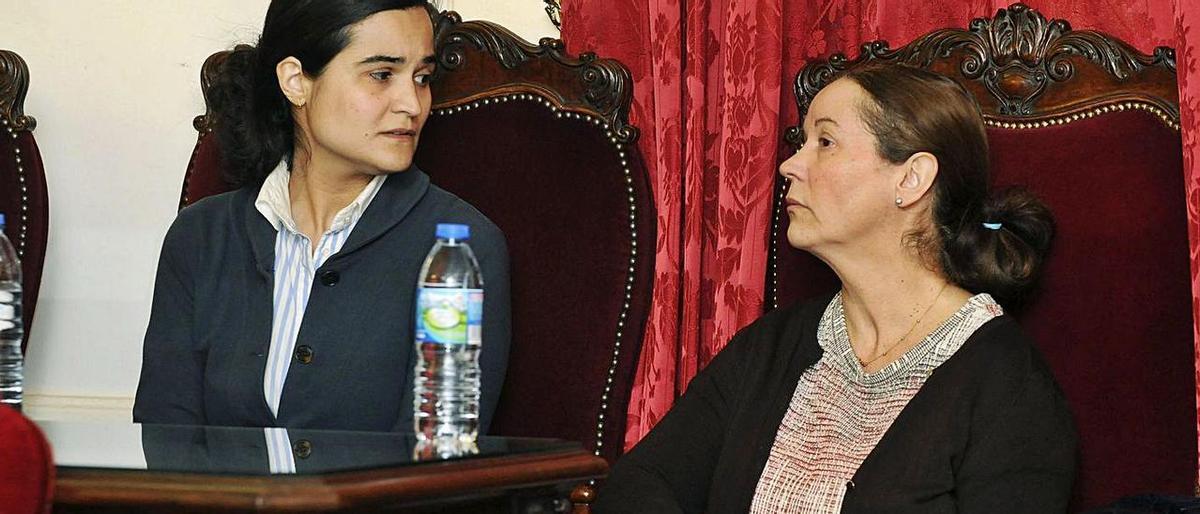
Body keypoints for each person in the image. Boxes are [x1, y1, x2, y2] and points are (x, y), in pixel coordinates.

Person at [594, 64, 1076, 513]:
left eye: (824, 142)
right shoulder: (771, 347)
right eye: (801, 142)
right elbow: (638, 485)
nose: (790, 166)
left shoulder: (1008, 384)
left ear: (911, 178)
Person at [133, 0, 511, 434]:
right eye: (382, 75)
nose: (412, 103)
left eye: (422, 78)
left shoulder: (460, 251)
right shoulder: (200, 238)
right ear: (296, 81)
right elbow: (164, 442)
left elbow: (436, 463)